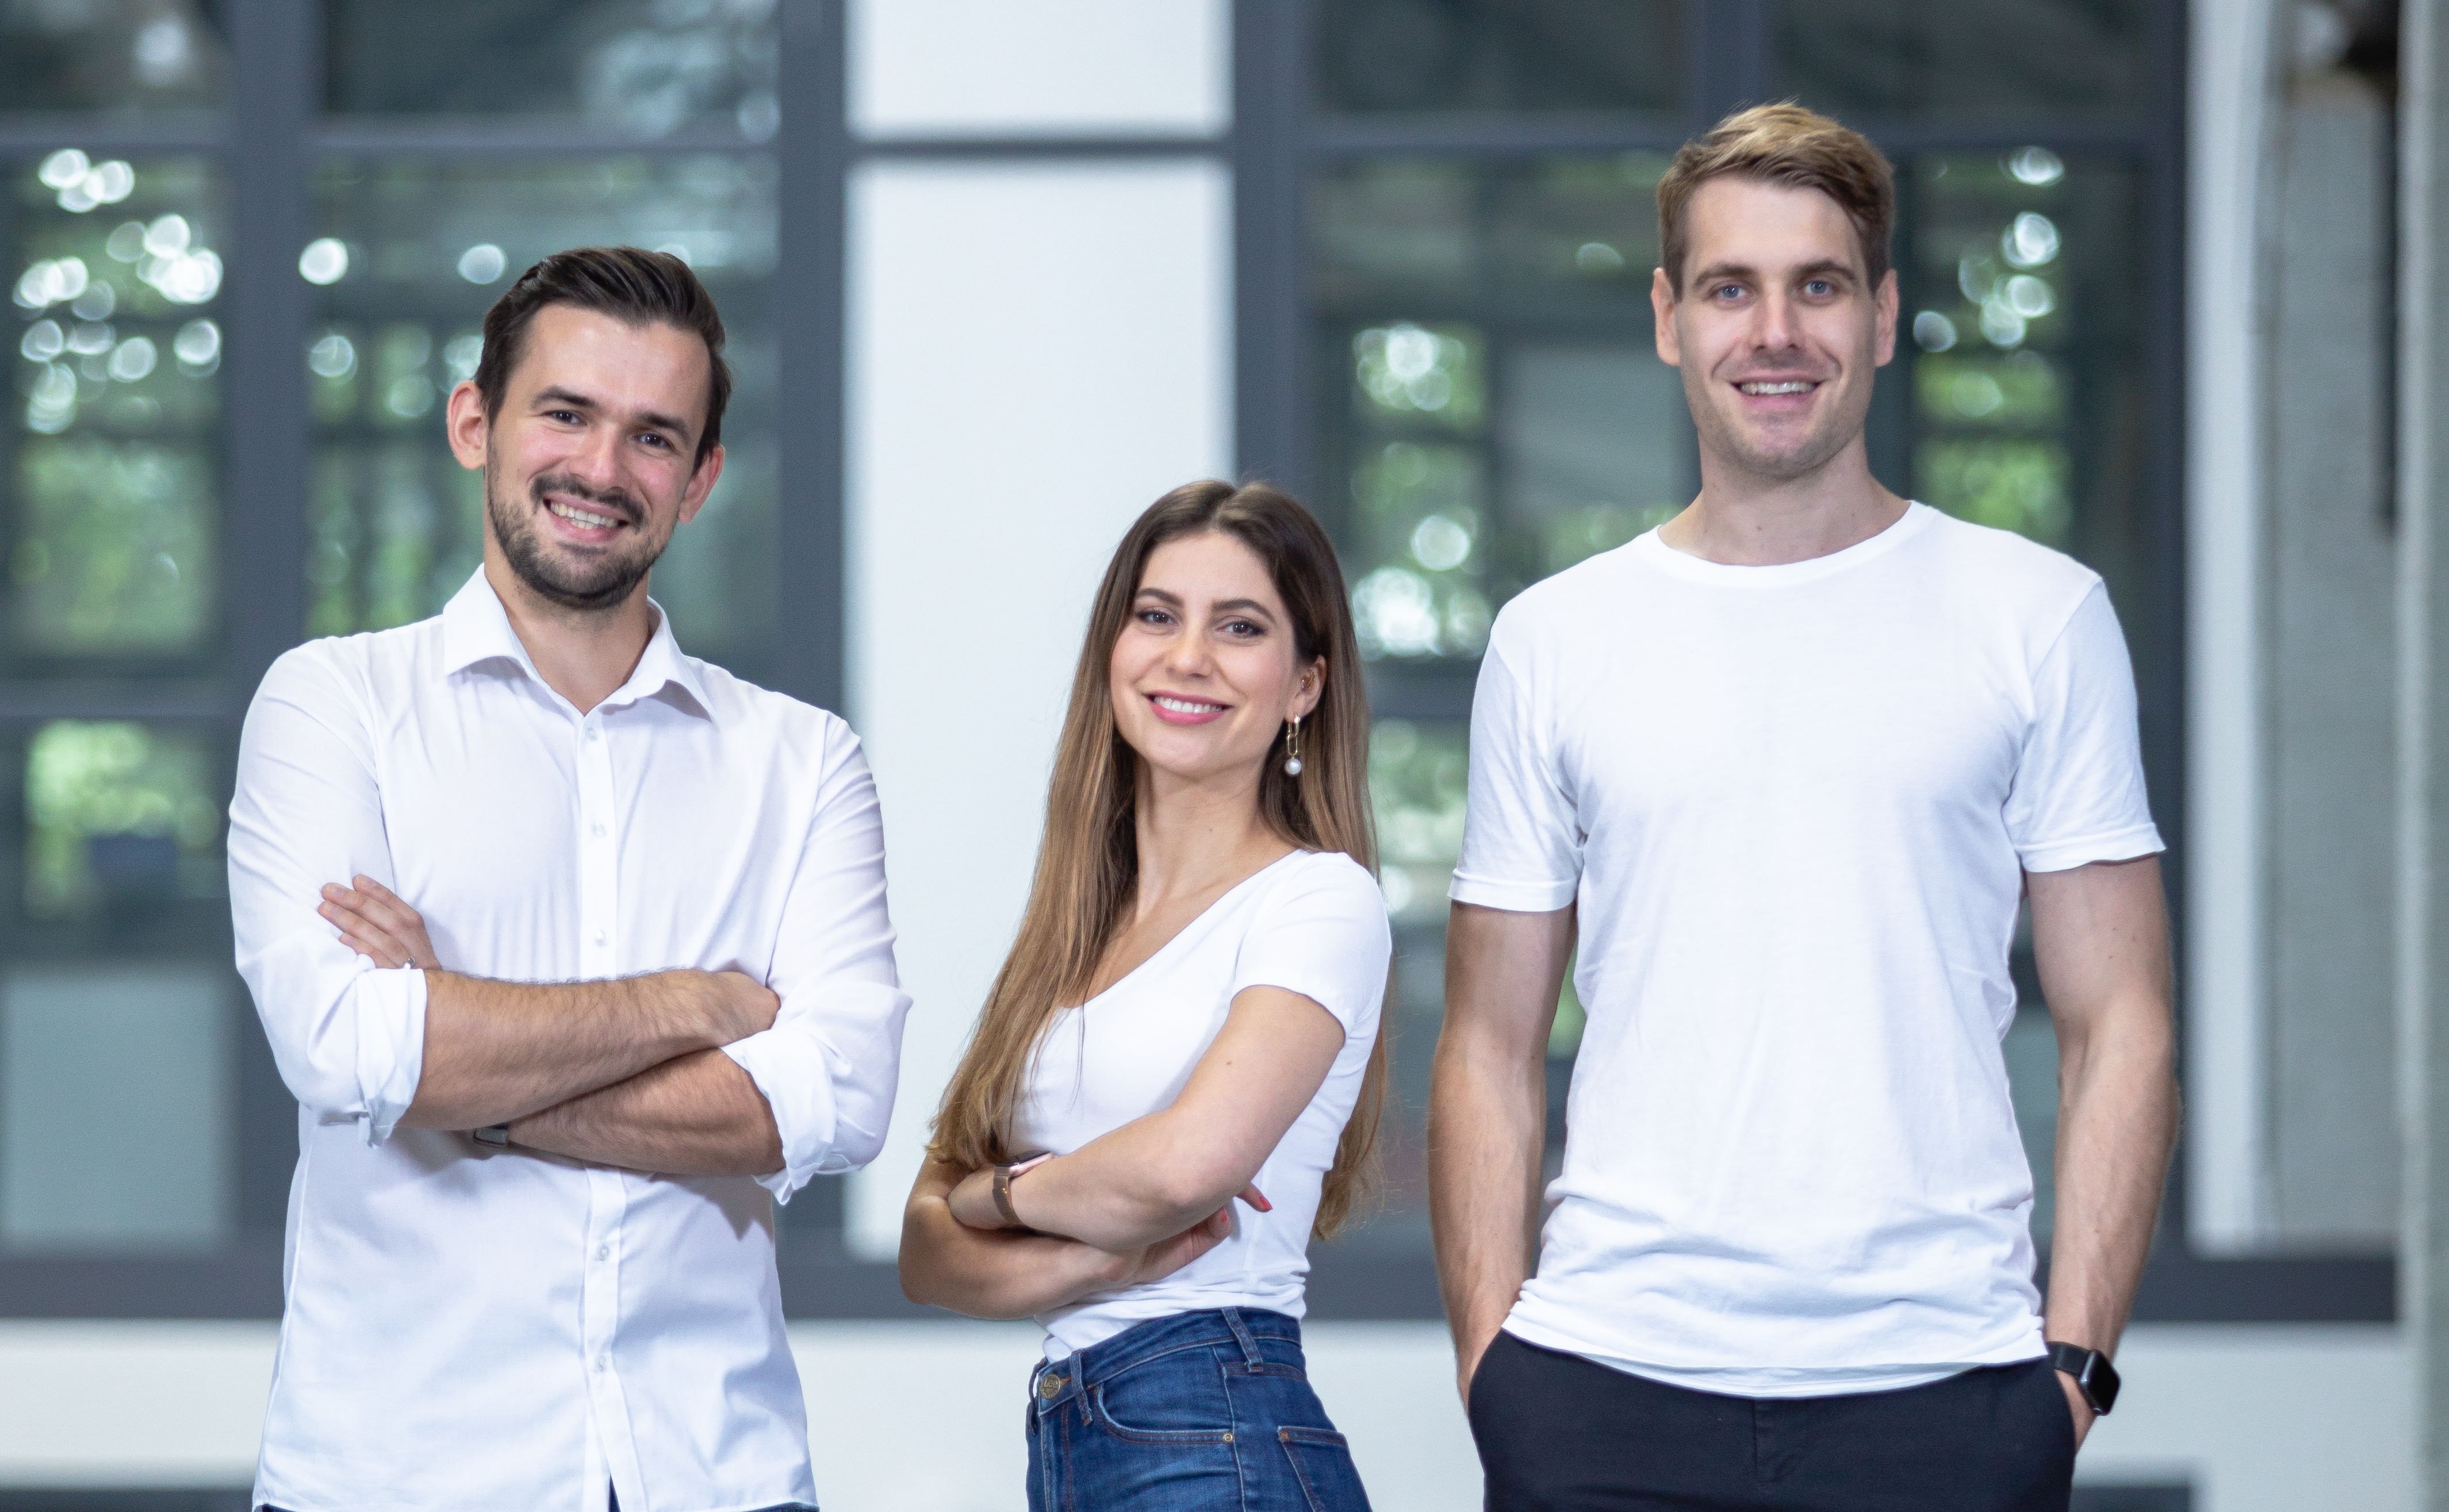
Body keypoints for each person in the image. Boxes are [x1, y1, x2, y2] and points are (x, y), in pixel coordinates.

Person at [1430, 104, 2179, 1512]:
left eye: (1818, 285)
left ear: (1886, 315)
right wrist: (1495, 1369)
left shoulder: (2038, 616)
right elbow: (1485, 1038)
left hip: (1945, 1392)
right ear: (1669, 318)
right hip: (1601, 1389)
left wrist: (2070, 1365)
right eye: (1731, 287)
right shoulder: (1556, 638)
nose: (1775, 331)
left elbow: (2121, 1018)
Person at [227, 246, 909, 1512]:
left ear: (701, 480)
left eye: (655, 437)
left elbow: (834, 1099)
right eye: (567, 414)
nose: (602, 470)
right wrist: (698, 1003)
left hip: (715, 1473)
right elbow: (347, 1047)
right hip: (396, 1474)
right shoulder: (335, 707)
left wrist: (464, 1050)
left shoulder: (800, 761)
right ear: (474, 422)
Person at [898, 481, 1392, 1512]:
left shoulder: (1316, 900)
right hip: (1083, 1432)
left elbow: (1183, 1169)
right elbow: (923, 1252)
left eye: (1240, 627)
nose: (1187, 657)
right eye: (1156, 615)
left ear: (1305, 684)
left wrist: (1002, 1197)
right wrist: (1099, 1264)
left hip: (1216, 1416)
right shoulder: (1070, 936)